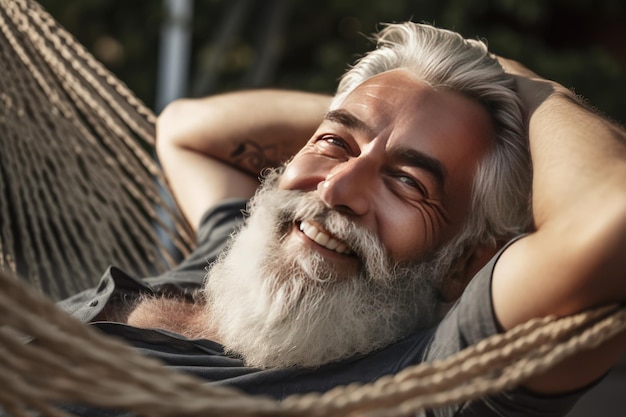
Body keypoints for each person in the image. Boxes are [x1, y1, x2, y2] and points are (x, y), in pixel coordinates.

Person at [57, 22, 626, 416]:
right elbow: (186, 130)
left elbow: (612, 215)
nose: (337, 188)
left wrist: (529, 87)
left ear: (465, 264)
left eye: (409, 182)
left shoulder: (423, 383)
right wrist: (405, 103)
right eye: (333, 144)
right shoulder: (244, 254)